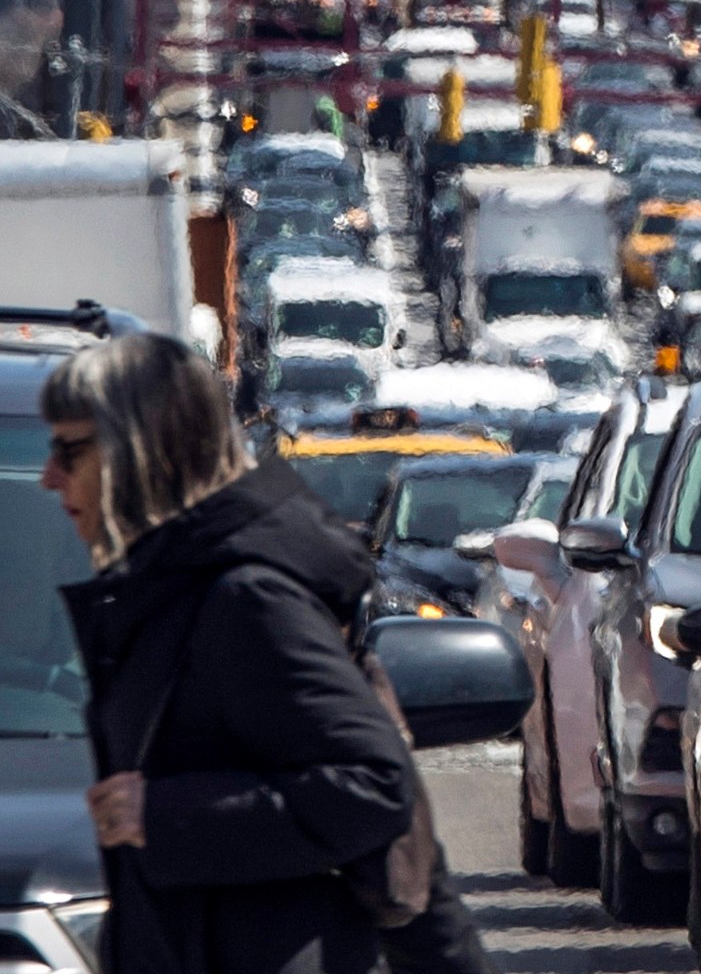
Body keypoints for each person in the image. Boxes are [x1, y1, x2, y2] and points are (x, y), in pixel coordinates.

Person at [48, 332, 422, 974]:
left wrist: (163, 814)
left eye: (71, 450)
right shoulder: (165, 588)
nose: (48, 476)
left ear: (144, 454)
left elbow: (375, 786)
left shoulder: (244, 601)